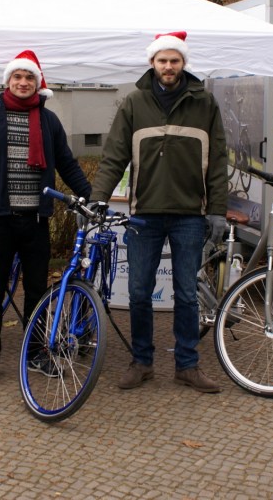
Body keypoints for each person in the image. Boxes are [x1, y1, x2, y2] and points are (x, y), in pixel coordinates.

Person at [90, 31, 228, 393]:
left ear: (183, 63)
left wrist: (217, 210)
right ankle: (142, 362)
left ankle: (187, 366)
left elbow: (218, 161)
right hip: (144, 215)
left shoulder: (205, 103)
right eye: (162, 60)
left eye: (174, 60)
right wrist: (98, 197)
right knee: (139, 292)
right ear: (152, 62)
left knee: (186, 294)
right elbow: (114, 155)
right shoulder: (134, 102)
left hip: (190, 215)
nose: (168, 66)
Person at [0, 49, 91, 385]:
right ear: (8, 81)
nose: (23, 82)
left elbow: (67, 164)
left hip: (36, 221)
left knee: (36, 292)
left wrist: (92, 197)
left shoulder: (48, 121)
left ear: (37, 82)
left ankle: (35, 353)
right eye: (17, 76)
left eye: (29, 77)